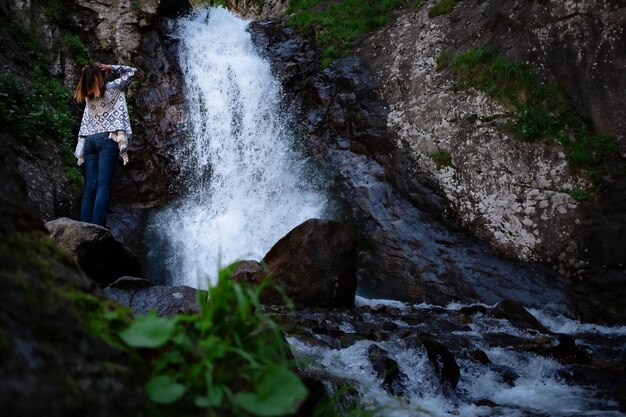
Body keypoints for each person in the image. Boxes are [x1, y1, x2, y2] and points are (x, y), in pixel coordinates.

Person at [74, 62, 137, 227]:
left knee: (90, 187)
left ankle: (84, 227)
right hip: (107, 140)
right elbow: (132, 72)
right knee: (103, 185)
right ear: (101, 75)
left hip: (89, 142)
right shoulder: (112, 88)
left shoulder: (87, 95)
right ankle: (97, 226)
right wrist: (111, 67)